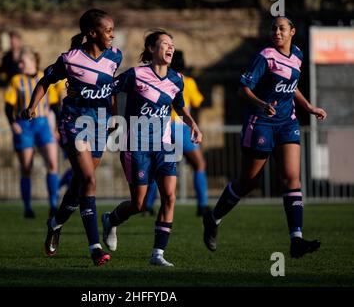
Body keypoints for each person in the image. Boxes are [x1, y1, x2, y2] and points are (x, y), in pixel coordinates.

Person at [202, 16, 327, 258]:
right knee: (249, 182)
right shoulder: (265, 56)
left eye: (282, 28)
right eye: (273, 28)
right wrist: (261, 104)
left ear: (292, 31)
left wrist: (308, 107)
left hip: (287, 123)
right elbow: (243, 88)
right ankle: (213, 217)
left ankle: (296, 239)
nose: (277, 32)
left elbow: (292, 85)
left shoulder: (298, 55)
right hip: (260, 123)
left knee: (292, 179)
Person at [21, 9, 122, 266]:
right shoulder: (70, 59)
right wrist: (33, 106)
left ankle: (55, 223)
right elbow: (45, 81)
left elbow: (110, 90)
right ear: (92, 33)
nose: (112, 34)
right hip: (74, 123)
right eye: (108, 30)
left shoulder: (115, 56)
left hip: (99, 125)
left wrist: (113, 115)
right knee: (89, 179)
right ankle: (95, 247)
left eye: (112, 29)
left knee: (80, 186)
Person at [101, 30, 203, 267]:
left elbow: (179, 106)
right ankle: (111, 219)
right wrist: (114, 117)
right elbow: (110, 90)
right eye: (165, 44)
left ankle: (158, 253)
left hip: (164, 145)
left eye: (172, 45)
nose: (170, 48)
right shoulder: (136, 75)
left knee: (169, 196)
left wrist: (193, 125)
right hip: (135, 145)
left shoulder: (177, 79)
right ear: (150, 49)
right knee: (139, 204)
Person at [144, 50, 209, 217]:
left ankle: (148, 205)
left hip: (163, 127)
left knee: (157, 167)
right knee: (199, 165)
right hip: (179, 127)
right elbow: (198, 101)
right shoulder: (187, 81)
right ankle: (202, 205)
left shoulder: (164, 79)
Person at [4, 46, 60, 218]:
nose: (20, 64)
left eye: (23, 61)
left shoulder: (46, 77)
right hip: (25, 125)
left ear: (33, 61)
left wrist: (57, 125)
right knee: (26, 167)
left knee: (52, 163)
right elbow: (8, 106)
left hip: (43, 124)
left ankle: (53, 204)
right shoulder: (16, 81)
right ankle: (28, 208)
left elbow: (55, 105)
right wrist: (13, 123)